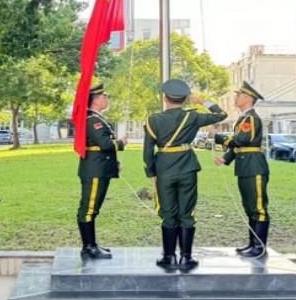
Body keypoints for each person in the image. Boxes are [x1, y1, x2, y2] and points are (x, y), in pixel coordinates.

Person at [143, 79, 227, 270]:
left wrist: (151, 172)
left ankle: (169, 257)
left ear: (165, 99)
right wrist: (201, 102)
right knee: (186, 213)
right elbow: (221, 114)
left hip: (164, 169)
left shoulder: (153, 120)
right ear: (185, 100)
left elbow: (148, 150)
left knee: (168, 213)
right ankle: (186, 258)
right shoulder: (193, 117)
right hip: (187, 168)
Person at [213, 81, 269, 259]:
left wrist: (219, 137)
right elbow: (238, 147)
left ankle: (259, 247)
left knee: (258, 208)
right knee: (249, 207)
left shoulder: (251, 118)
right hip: (245, 167)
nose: (235, 98)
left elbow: (241, 140)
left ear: (247, 98)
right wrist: (225, 158)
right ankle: (252, 244)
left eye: (238, 95)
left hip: (254, 167)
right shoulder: (244, 118)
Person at [76, 83, 128, 259]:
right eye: (104, 96)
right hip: (94, 170)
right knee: (89, 209)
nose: (107, 99)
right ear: (97, 100)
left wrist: (114, 163)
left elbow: (101, 146)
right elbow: (105, 144)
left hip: (99, 167)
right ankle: (89, 247)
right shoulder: (92, 120)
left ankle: (91, 245)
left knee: (92, 208)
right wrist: (121, 143)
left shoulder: (96, 118)